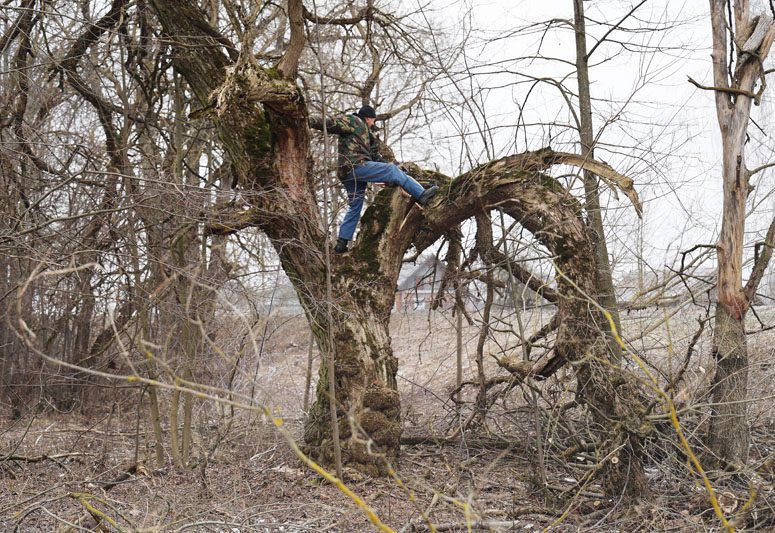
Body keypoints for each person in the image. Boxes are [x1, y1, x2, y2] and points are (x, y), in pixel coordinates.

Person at [309, 105, 439, 253]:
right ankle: (422, 194)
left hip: (349, 173)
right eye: (373, 121)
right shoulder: (354, 120)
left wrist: (396, 169)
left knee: (355, 206)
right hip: (355, 166)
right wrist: (310, 121)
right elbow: (331, 123)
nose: (373, 124)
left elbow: (376, 156)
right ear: (369, 118)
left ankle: (341, 243)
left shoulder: (368, 135)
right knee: (390, 169)